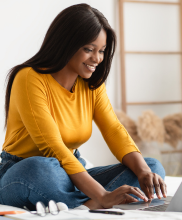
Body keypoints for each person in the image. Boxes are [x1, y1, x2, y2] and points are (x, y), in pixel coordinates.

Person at [0, 3, 166, 210]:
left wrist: (142, 172)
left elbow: (113, 129)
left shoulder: (91, 83)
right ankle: (94, 201)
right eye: (88, 49)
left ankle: (85, 202)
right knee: (40, 167)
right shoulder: (29, 78)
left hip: (71, 173)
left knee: (151, 167)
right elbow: (53, 147)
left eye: (102, 51)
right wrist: (103, 194)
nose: (96, 59)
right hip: (24, 172)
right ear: (65, 44)